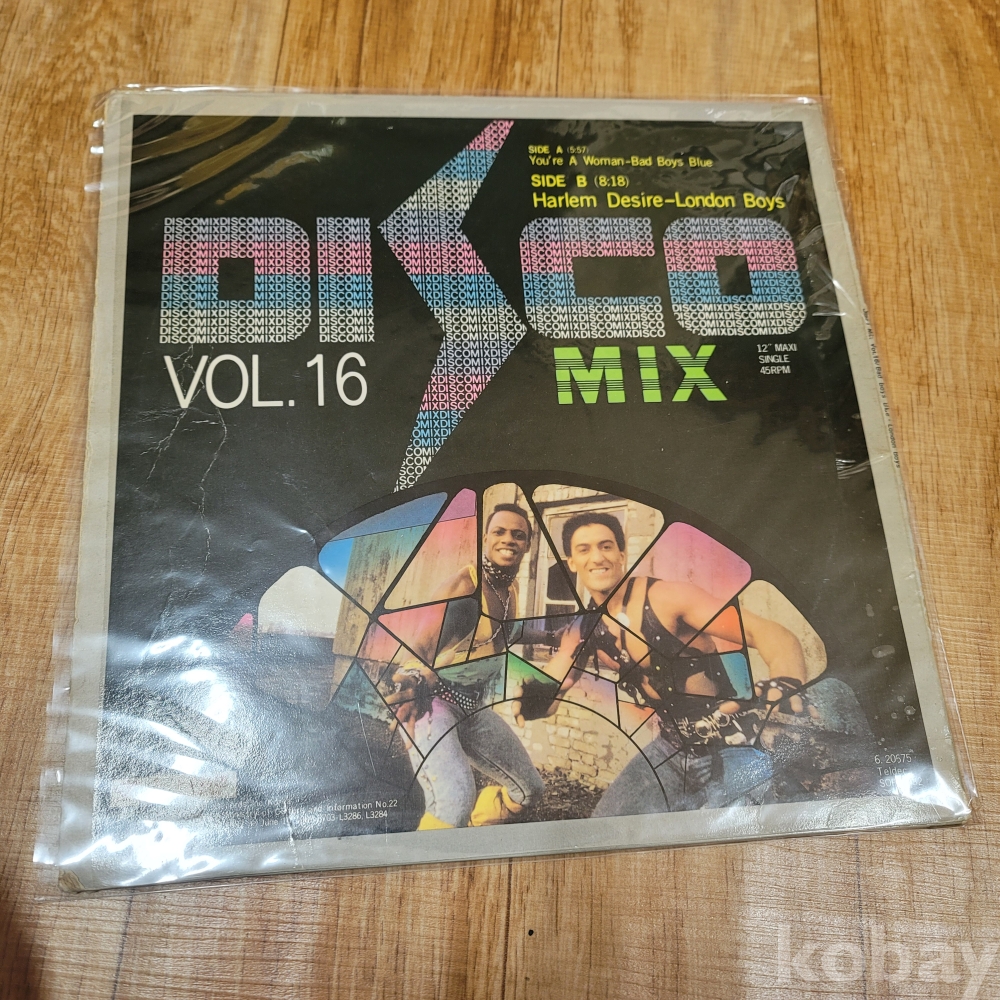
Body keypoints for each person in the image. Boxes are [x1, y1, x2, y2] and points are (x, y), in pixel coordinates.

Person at [535, 511, 873, 815]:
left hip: (730, 746)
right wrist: (537, 692)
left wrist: (786, 682)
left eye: (606, 546)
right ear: (571, 563)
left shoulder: (668, 599)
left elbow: (771, 634)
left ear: (622, 555)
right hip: (670, 748)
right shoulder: (584, 629)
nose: (597, 557)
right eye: (584, 550)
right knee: (606, 825)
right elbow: (546, 696)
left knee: (750, 836)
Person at [384, 503, 546, 829]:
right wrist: (411, 682)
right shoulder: (465, 588)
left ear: (528, 544)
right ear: (485, 538)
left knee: (529, 789)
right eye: (499, 532)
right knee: (455, 803)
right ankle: (432, 854)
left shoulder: (510, 589)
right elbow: (419, 647)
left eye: (518, 535)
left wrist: (553, 635)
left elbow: (505, 630)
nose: (509, 540)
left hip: (473, 707)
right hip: (433, 704)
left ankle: (472, 834)